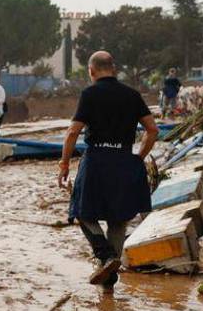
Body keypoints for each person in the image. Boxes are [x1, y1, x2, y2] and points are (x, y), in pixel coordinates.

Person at [57, 51, 157, 289]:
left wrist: (64, 164)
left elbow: (73, 132)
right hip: (123, 159)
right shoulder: (132, 95)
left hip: (96, 162)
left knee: (81, 211)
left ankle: (105, 256)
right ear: (114, 68)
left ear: (91, 71)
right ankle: (108, 284)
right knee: (118, 218)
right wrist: (138, 157)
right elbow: (152, 130)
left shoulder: (90, 94)